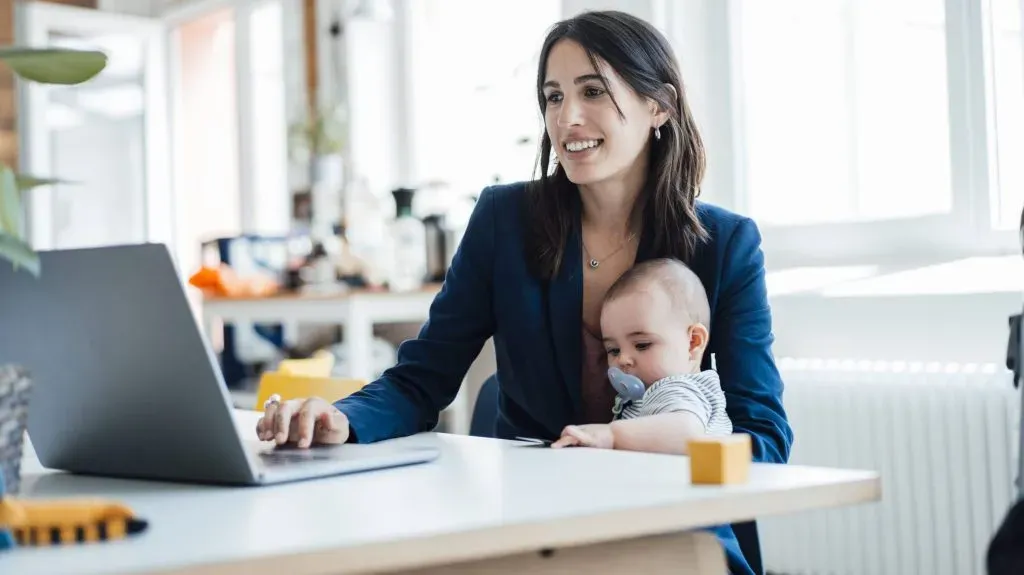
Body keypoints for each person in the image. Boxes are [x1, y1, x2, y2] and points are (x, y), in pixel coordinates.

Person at [256, 10, 792, 575]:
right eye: (553, 97)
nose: (568, 118)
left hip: (670, 523)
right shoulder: (502, 221)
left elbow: (764, 435)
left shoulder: (725, 244)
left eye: (593, 91)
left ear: (658, 105)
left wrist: (658, 450)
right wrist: (341, 418)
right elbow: (421, 380)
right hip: (532, 525)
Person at [551, 258, 733, 452]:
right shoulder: (646, 394)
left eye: (642, 345)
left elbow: (687, 432)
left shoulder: (675, 388)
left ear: (693, 342)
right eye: (614, 350)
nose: (622, 360)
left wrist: (611, 435)